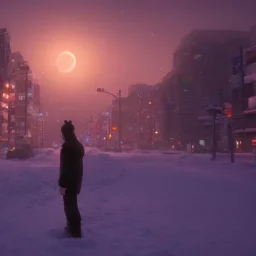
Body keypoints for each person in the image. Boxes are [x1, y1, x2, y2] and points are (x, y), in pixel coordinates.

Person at [59, 120, 85, 238]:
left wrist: (62, 183)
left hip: (69, 182)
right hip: (75, 181)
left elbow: (66, 168)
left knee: (70, 206)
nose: (62, 135)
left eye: (63, 133)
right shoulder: (76, 145)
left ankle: (74, 230)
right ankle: (73, 228)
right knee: (71, 205)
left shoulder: (69, 147)